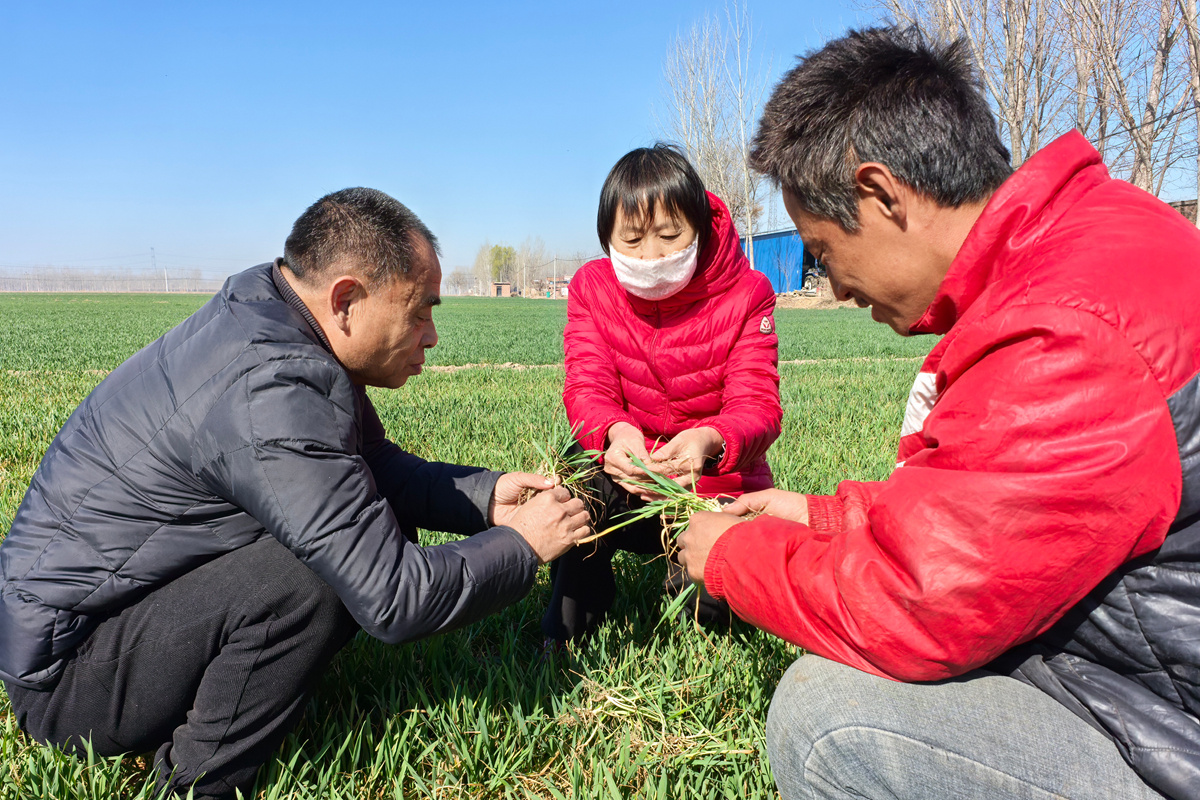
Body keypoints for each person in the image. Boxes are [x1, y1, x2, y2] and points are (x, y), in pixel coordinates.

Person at [676, 26, 1200, 800]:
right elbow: (997, 514)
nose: (836, 288)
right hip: (1144, 684)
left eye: (824, 251)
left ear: (882, 194)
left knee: (829, 720)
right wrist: (815, 517)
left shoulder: (1066, 329)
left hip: (1166, 728)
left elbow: (919, 604)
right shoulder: (1088, 243)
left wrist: (730, 557)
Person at [0, 187, 591, 800]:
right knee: (310, 580)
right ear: (346, 300)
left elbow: (370, 464)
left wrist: (485, 497)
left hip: (98, 624)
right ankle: (198, 783)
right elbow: (394, 598)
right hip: (66, 677)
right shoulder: (272, 387)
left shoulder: (279, 318)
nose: (432, 336)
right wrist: (522, 545)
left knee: (368, 525)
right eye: (419, 313)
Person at [542, 144, 782, 643]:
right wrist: (615, 432)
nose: (650, 257)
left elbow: (758, 406)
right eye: (631, 240)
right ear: (606, 239)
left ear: (700, 228)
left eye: (670, 236)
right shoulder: (592, 289)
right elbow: (587, 386)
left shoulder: (748, 294)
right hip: (629, 476)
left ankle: (699, 591)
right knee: (579, 484)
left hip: (712, 487)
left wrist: (710, 441)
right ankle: (565, 633)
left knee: (710, 624)